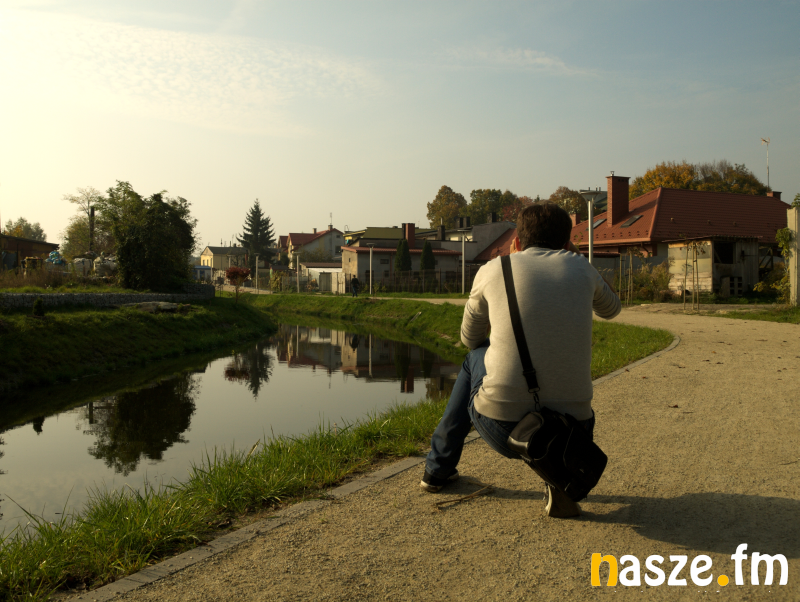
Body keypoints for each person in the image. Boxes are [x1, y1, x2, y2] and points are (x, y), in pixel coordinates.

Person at [419, 202, 621, 518]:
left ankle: (437, 469)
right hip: (574, 432)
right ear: (567, 243)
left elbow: (469, 339)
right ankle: (559, 475)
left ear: (516, 242)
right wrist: (576, 258)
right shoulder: (581, 267)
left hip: (506, 429)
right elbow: (612, 309)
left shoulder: (493, 270)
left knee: (474, 358)